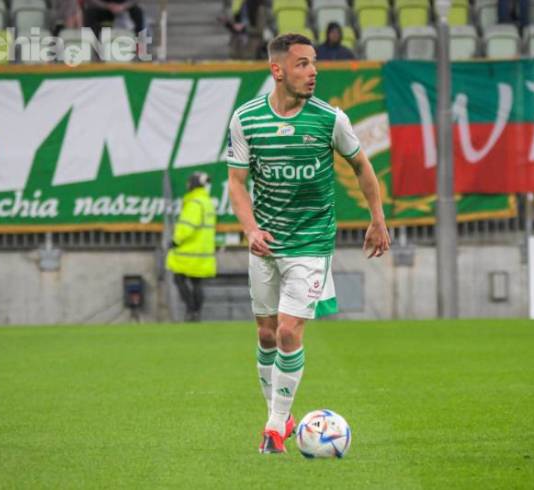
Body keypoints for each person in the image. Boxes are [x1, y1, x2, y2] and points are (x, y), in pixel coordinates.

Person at [226, 33, 390, 454]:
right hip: (266, 243)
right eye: (302, 63)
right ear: (277, 70)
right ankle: (280, 416)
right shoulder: (246, 119)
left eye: (314, 62)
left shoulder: (330, 119)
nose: (313, 71)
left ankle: (273, 428)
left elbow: (361, 166)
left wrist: (377, 218)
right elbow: (237, 183)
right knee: (265, 334)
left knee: (287, 330)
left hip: (312, 242)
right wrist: (251, 230)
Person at [166, 172, 217, 323]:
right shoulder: (207, 202)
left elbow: (187, 226)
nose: (187, 185)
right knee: (197, 282)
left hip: (189, 252)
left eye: (189, 182)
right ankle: (196, 313)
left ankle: (191, 310)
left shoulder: (194, 203)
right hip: (203, 252)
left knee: (178, 278)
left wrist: (175, 241)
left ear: (193, 184)